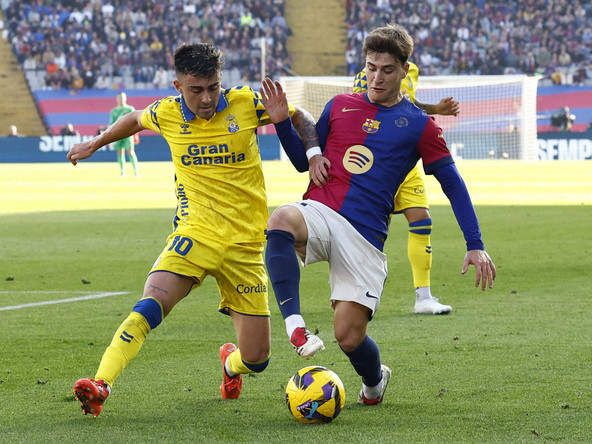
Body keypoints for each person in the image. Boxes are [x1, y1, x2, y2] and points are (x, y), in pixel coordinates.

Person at [66, 42, 317, 417]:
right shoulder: (166, 112)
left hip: (246, 247)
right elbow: (134, 118)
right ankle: (101, 383)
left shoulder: (246, 102)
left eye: (213, 87)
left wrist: (313, 156)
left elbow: (302, 117)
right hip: (194, 234)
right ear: (177, 85)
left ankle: (230, 364)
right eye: (196, 89)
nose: (206, 98)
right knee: (152, 303)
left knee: (257, 359)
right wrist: (97, 142)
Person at [260, 24, 496, 407]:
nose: (376, 77)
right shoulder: (339, 105)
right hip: (321, 210)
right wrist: (281, 121)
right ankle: (295, 325)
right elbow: (303, 164)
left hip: (366, 238)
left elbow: (452, 183)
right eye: (371, 67)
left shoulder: (420, 125)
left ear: (405, 70)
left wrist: (475, 244)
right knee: (281, 218)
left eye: (387, 69)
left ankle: (375, 380)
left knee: (348, 337)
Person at [352, 61, 460, 314]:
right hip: (378, 163)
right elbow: (358, 110)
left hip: (407, 162)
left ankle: (424, 298)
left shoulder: (411, 72)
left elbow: (406, 102)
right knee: (375, 231)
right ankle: (358, 291)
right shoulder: (365, 77)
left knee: (422, 220)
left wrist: (436, 109)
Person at [109, 92, 140, 177]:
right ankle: (123, 172)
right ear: (116, 99)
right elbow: (111, 124)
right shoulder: (114, 111)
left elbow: (135, 122)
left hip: (128, 134)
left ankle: (136, 172)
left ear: (125, 98)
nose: (121, 99)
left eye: (122, 98)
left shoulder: (130, 109)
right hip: (118, 135)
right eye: (119, 98)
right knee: (120, 152)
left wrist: (135, 134)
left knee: (131, 152)